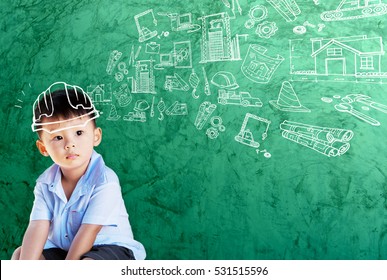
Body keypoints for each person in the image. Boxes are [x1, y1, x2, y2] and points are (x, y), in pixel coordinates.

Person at [11, 82, 146, 260]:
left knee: (87, 265)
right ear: (43, 148)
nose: (70, 144)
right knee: (21, 254)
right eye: (58, 137)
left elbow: (88, 232)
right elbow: (37, 227)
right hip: (64, 248)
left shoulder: (105, 180)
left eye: (79, 133)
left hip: (108, 247)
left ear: (96, 136)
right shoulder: (45, 183)